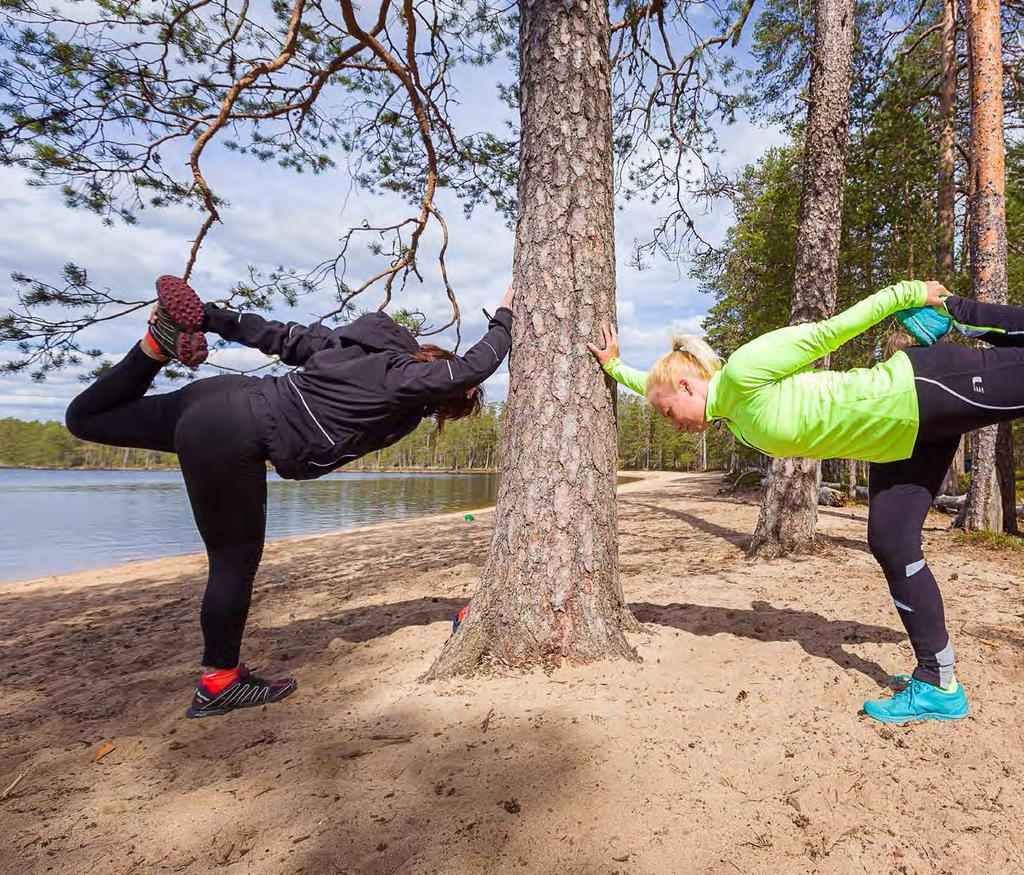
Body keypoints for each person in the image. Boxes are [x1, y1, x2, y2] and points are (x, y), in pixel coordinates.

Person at [66, 276, 515, 718]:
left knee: (86, 419)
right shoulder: (403, 377)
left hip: (217, 397)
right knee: (233, 560)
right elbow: (474, 367)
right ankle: (220, 682)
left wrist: (208, 318)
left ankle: (151, 351)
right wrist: (505, 317)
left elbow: (272, 334)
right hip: (237, 431)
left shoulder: (339, 347)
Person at [589, 279, 1024, 724]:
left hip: (918, 389)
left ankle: (953, 309)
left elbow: (827, 332)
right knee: (891, 541)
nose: (673, 424)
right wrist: (616, 366)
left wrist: (908, 293)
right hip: (900, 442)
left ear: (686, 386)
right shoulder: (729, 411)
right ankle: (939, 684)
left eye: (668, 413)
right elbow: (650, 381)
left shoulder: (742, 372)